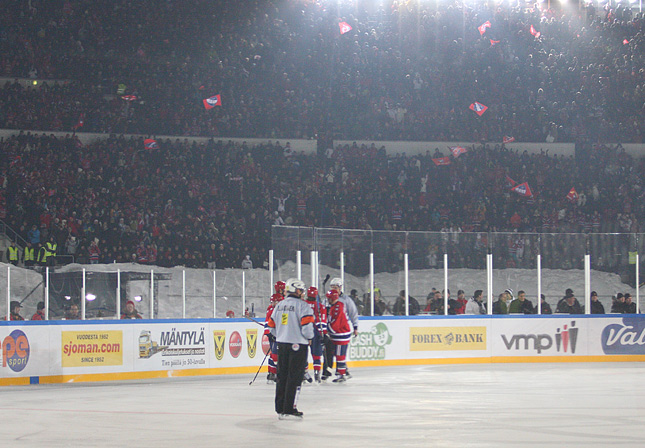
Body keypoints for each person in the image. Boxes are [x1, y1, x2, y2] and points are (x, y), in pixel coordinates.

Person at [267, 278, 314, 420]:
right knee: (295, 377)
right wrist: (309, 337)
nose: (303, 293)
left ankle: (280, 408)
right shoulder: (304, 306)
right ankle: (290, 409)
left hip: (282, 345)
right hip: (298, 345)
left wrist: (281, 335)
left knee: (282, 376)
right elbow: (307, 328)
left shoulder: (279, 305)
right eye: (301, 290)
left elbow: (271, 326)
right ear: (297, 290)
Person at [328, 278, 358, 379]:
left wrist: (355, 326)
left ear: (340, 287)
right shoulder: (328, 299)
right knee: (336, 353)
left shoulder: (346, 300)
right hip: (334, 332)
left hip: (339, 332)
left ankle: (342, 371)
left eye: (335, 287)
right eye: (332, 287)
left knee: (340, 353)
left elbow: (353, 313)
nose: (334, 289)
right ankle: (342, 370)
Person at [326, 289, 352, 383]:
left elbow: (335, 322)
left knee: (340, 355)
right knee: (338, 354)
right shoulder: (336, 306)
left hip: (341, 335)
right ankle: (344, 371)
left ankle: (342, 374)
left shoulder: (338, 307)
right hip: (338, 334)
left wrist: (328, 329)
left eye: (329, 298)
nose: (328, 300)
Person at [304, 286, 327, 383]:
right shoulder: (320, 306)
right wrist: (323, 334)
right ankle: (317, 373)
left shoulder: (303, 304)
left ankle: (304, 372)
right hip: (316, 332)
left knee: (303, 354)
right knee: (317, 354)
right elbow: (322, 322)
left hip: (303, 332)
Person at [264, 290, 283, 383]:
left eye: (274, 302)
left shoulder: (282, 310)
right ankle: (272, 372)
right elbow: (267, 323)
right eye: (272, 302)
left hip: (281, 336)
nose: (273, 303)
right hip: (273, 335)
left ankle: (277, 372)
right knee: (274, 354)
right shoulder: (271, 310)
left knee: (279, 354)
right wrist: (270, 334)